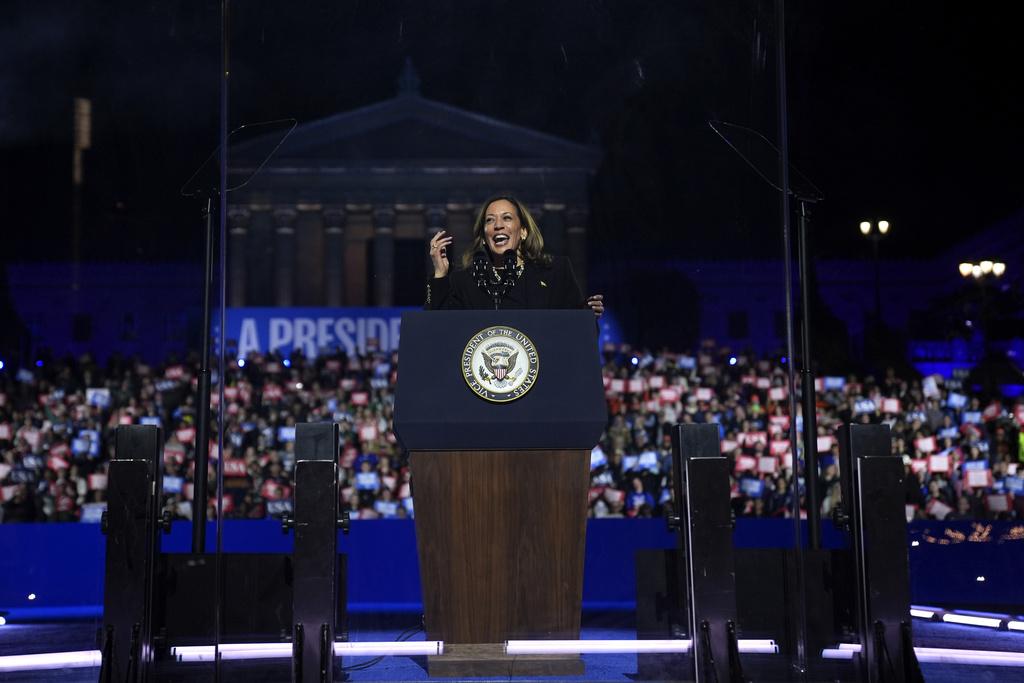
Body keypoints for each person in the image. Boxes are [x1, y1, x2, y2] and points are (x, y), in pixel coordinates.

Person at [425, 194, 604, 315]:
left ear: (524, 231)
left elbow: (577, 333)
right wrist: (440, 274)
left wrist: (587, 316)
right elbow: (436, 329)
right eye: (490, 220)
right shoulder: (465, 281)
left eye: (507, 218)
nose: (498, 225)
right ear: (485, 237)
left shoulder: (555, 272)